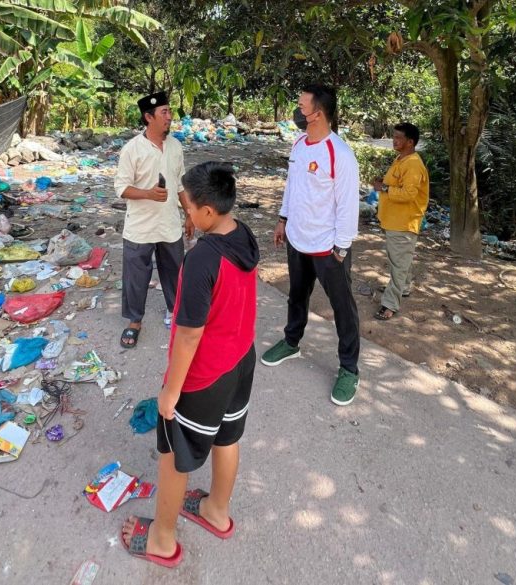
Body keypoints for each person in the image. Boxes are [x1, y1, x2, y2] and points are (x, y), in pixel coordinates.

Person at [120, 162, 259, 568]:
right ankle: (216, 510)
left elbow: (188, 334)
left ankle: (162, 539)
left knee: (173, 454)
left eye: (190, 208)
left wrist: (171, 390)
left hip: (204, 374)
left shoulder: (201, 260)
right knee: (227, 438)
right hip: (240, 360)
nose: (187, 214)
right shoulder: (243, 234)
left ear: (209, 213)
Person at [260, 83, 361, 406]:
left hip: (328, 248)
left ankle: (348, 368)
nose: (297, 111)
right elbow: (294, 186)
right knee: (296, 295)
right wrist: (283, 219)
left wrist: (341, 247)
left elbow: (347, 206)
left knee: (342, 308)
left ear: (317, 114)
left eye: (302, 106)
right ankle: (292, 341)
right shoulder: (300, 144)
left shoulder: (340, 154)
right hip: (297, 239)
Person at [114, 91, 194, 348]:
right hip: (140, 226)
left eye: (169, 112)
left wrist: (189, 214)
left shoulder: (175, 146)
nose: (170, 117)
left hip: (169, 223)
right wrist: (148, 193)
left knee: (174, 272)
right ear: (148, 118)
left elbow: (180, 183)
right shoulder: (132, 150)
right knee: (136, 276)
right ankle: (134, 321)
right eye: (164, 113)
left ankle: (175, 312)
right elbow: (122, 188)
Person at [372, 122, 430, 320]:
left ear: (410, 142)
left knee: (399, 263)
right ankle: (404, 287)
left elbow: (408, 194)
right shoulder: (402, 159)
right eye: (394, 136)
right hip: (394, 220)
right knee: (400, 260)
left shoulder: (413, 164)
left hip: (403, 223)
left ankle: (389, 304)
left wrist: (384, 189)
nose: (394, 141)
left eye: (398, 138)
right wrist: (384, 183)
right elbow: (398, 184)